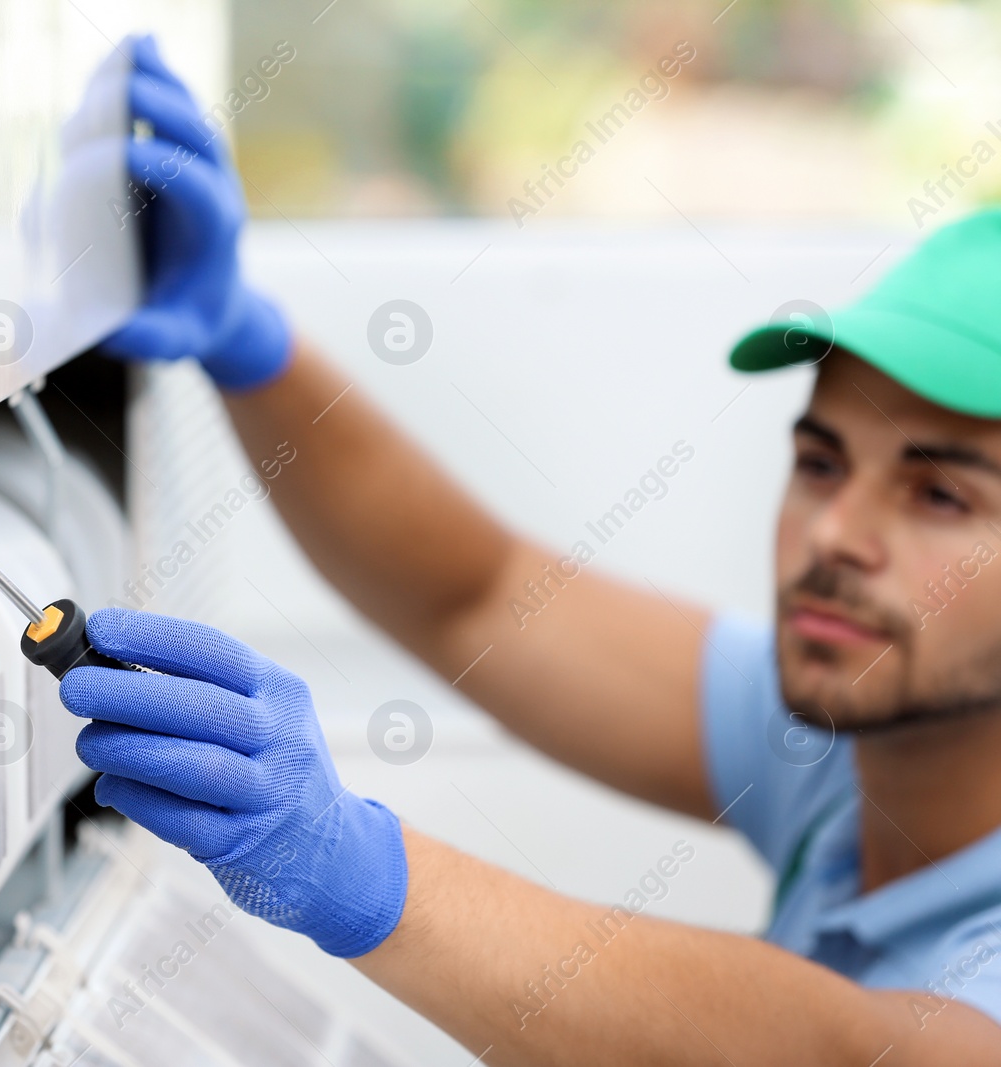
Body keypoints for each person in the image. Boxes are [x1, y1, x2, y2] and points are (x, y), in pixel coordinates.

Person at [60, 35, 1001, 1063]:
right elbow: (478, 594)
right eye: (821, 463)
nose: (833, 534)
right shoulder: (851, 746)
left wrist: (353, 861)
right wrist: (242, 340)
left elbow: (865, 1054)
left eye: (941, 494)